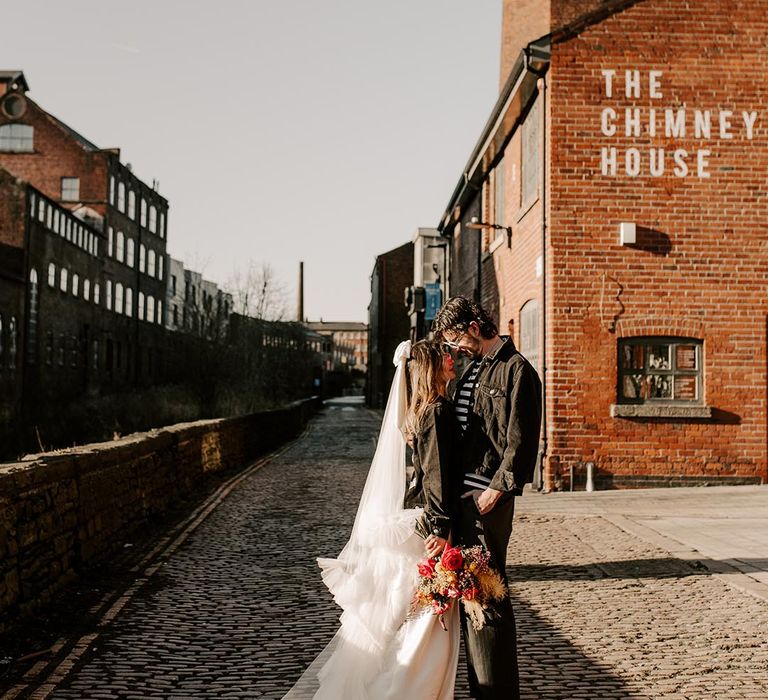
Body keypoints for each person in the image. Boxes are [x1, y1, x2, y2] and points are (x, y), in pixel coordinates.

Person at [283, 339, 461, 699]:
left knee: (406, 619)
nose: (451, 358)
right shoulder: (438, 410)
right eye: (445, 354)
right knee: (425, 622)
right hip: (430, 526)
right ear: (430, 367)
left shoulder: (419, 413)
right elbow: (438, 476)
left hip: (414, 516)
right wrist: (442, 531)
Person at [432, 296, 542, 700]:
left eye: (457, 338)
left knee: (489, 596)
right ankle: (481, 686)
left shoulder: (519, 373)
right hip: (461, 502)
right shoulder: (471, 370)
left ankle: (497, 692)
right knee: (468, 594)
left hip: (485, 504)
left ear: (475, 328)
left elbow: (521, 441)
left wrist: (494, 492)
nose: (456, 348)